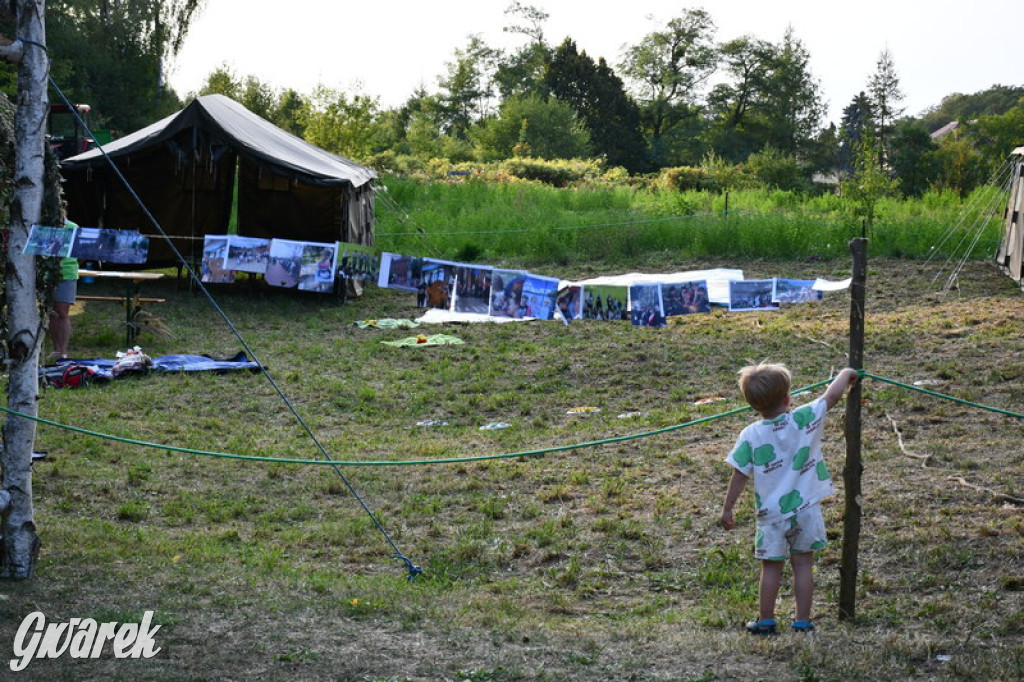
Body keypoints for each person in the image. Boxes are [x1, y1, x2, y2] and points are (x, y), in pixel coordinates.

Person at [720, 363, 858, 635]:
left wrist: (727, 509)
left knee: (771, 567)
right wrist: (845, 373)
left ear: (752, 404)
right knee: (803, 565)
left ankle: (766, 620)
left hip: (771, 516)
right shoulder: (803, 419)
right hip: (806, 509)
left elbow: (739, 474)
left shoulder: (750, 435)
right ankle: (803, 621)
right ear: (787, 398)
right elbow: (830, 398)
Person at [47, 212, 79, 360]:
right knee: (52, 313)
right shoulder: (45, 227)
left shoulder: (73, 227)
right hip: (47, 274)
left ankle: (63, 351)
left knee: (62, 312)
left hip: (66, 273)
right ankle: (56, 350)